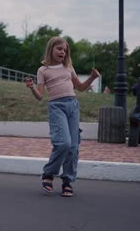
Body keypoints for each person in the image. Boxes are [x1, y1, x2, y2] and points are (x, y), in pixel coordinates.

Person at [24, 36, 100, 197]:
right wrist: (31, 88)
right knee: (63, 143)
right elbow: (40, 96)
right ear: (51, 49)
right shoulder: (42, 70)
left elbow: (79, 87)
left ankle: (67, 181)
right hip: (56, 107)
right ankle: (49, 174)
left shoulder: (68, 67)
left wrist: (92, 77)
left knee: (73, 146)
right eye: (59, 49)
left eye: (65, 50)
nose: (62, 52)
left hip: (72, 105)